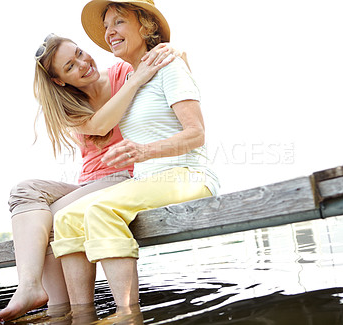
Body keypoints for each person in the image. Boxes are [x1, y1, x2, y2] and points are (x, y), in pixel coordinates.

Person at [50, 0, 220, 320]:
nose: (109, 32)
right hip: (147, 181)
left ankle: (127, 314)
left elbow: (196, 134)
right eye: (107, 26)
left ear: (145, 26)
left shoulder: (168, 64)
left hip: (187, 174)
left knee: (101, 210)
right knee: (65, 220)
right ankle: (81, 316)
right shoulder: (129, 79)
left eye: (119, 22)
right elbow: (97, 122)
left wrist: (144, 151)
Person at [0, 33, 179, 323]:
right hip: (89, 184)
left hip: (125, 177)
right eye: (70, 66)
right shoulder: (71, 105)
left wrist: (144, 70)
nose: (82, 63)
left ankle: (62, 311)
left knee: (56, 219)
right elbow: (100, 123)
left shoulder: (123, 73)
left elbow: (170, 60)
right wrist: (136, 80)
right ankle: (31, 287)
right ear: (59, 81)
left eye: (79, 53)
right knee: (24, 191)